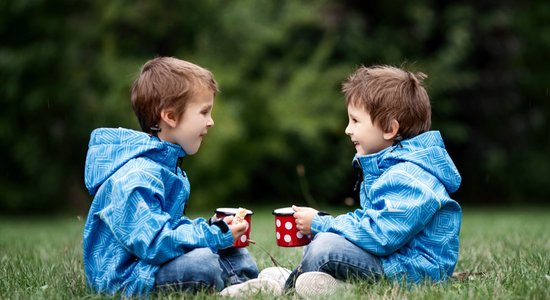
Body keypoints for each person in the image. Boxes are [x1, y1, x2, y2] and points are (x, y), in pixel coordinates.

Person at [83, 57, 262, 296]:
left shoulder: (166, 168)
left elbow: (169, 228)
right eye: (204, 112)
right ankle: (235, 285)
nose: (211, 122)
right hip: (127, 278)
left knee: (230, 248)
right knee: (203, 262)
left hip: (150, 264)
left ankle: (249, 284)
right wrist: (213, 235)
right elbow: (154, 243)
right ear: (170, 117)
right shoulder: (136, 177)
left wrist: (213, 228)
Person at [285, 65, 462, 297]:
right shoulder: (392, 167)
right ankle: (335, 285)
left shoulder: (410, 177)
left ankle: (285, 287)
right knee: (324, 239)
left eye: (355, 121)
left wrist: (322, 222)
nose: (348, 129)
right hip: (393, 260)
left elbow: (381, 235)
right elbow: (374, 220)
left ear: (389, 128)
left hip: (413, 272)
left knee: (325, 247)